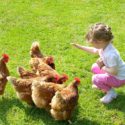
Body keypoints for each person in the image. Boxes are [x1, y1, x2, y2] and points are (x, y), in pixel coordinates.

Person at [71, 23, 125, 104]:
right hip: (116, 74)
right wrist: (79, 47)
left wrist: (102, 66)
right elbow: (93, 50)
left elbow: (114, 72)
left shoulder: (110, 54)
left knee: (95, 78)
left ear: (100, 41)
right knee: (94, 67)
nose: (92, 44)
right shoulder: (104, 46)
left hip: (119, 78)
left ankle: (111, 93)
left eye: (93, 42)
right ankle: (103, 85)